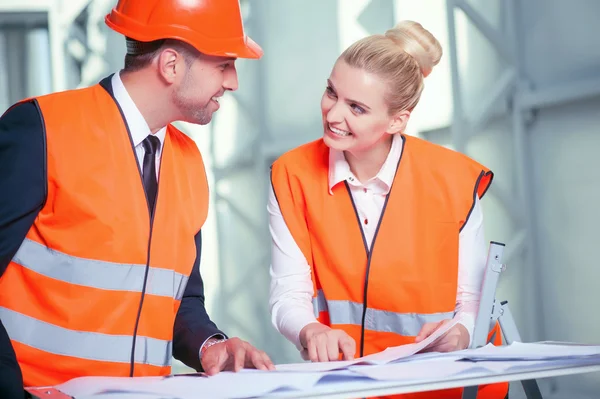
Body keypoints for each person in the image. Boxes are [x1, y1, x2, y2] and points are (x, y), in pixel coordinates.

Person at [0, 0, 274, 397]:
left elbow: (179, 298)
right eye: (224, 65)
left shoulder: (189, 162)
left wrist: (209, 346)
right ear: (171, 65)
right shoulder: (41, 131)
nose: (233, 82)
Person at [268, 21, 508, 398]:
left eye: (356, 108)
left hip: (452, 388)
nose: (332, 115)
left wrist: (460, 331)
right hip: (354, 386)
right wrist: (309, 330)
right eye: (331, 92)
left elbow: (474, 300)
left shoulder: (454, 180)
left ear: (397, 120)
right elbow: (288, 294)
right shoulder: (292, 175)